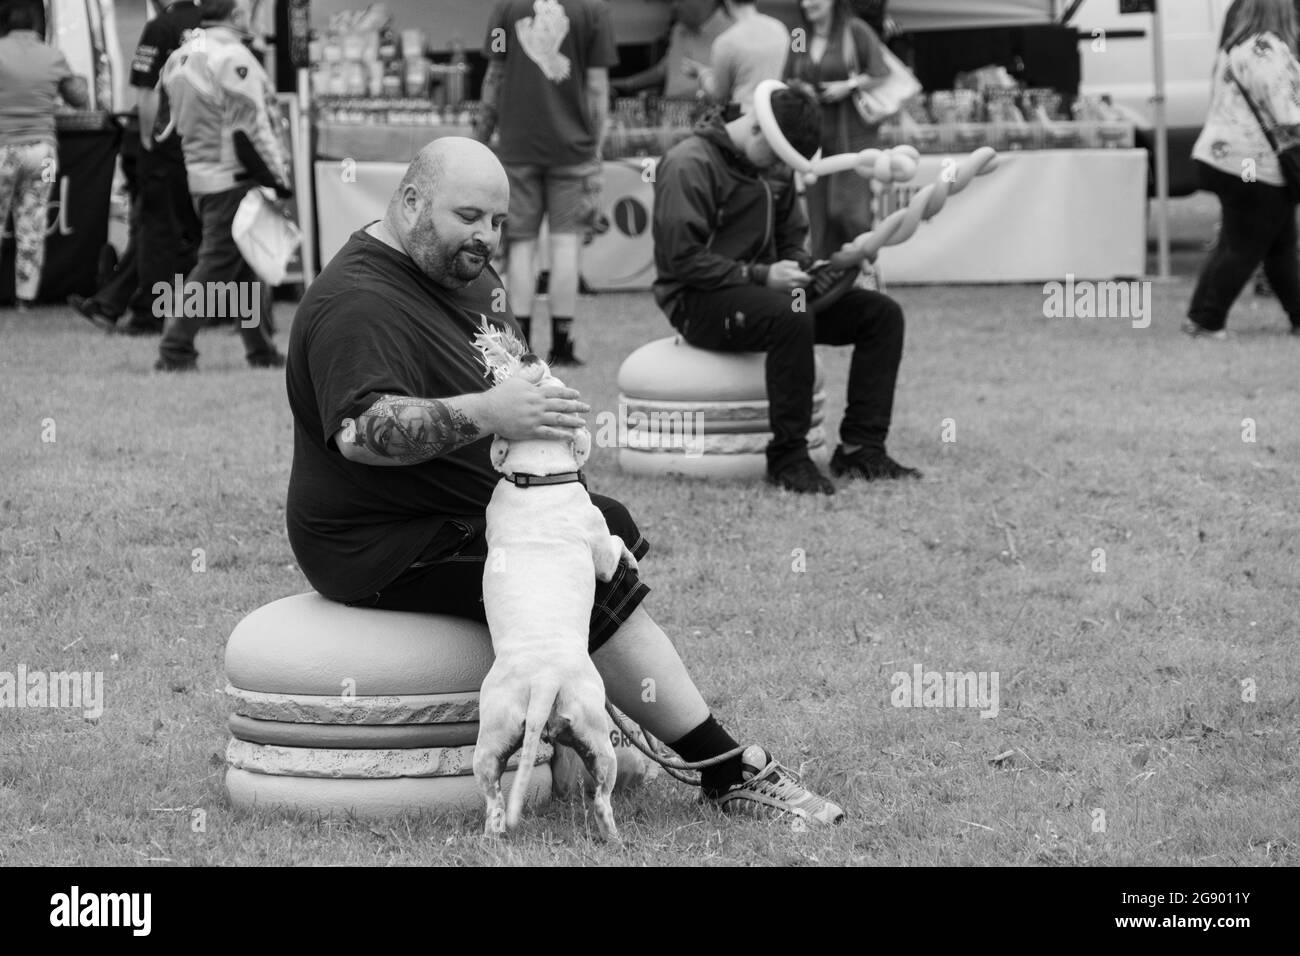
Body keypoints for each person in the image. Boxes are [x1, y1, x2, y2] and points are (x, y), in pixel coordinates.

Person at [284, 135, 846, 827]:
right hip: (379, 542)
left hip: (479, 506)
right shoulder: (356, 302)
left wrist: (544, 410)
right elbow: (363, 434)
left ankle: (587, 732)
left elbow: (516, 370)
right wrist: (492, 412)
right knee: (583, 570)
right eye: (468, 218)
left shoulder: (466, 274)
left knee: (607, 523)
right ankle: (727, 772)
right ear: (409, 203)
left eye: (497, 222)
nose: (485, 239)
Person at [652, 84, 920, 494]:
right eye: (777, 156)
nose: (779, 166)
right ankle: (788, 458)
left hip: (769, 293)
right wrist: (761, 276)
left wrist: (824, 267)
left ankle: (860, 448)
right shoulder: (687, 164)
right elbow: (681, 260)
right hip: (697, 300)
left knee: (881, 315)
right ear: (758, 129)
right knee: (791, 315)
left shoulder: (773, 166)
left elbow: (792, 241)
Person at [475, 0, 617, 366]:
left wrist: (481, 136)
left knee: (521, 245)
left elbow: (494, 74)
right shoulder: (594, 10)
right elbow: (599, 88)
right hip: (573, 149)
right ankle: (563, 344)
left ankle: (520, 349)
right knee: (566, 244)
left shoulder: (507, 8)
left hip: (517, 145)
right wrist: (595, 147)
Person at [154, 0, 289, 371]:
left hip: (201, 176)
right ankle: (175, 348)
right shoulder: (231, 56)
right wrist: (277, 178)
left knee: (246, 267)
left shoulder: (178, 56)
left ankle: (261, 350)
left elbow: (161, 125)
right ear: (236, 15)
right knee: (215, 267)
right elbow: (250, 126)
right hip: (233, 177)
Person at [70, 0, 204, 336]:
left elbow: (146, 90)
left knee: (159, 230)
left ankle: (147, 315)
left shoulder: (161, 27)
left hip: (167, 145)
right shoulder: (214, 24)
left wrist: (147, 138)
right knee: (182, 230)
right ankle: (112, 303)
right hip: (206, 146)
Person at [1185, 0, 1300, 339]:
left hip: (1222, 157)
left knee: (1277, 245)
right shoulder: (1269, 51)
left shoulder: (1233, 47)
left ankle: (1297, 314)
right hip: (1250, 165)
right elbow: (1289, 113)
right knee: (1243, 243)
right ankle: (1207, 320)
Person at [784, 0, 889, 266]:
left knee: (849, 212)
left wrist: (849, 85)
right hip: (814, 138)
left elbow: (880, 73)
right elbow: (789, 76)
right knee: (819, 218)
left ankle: (867, 271)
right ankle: (829, 282)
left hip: (854, 134)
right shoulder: (800, 36)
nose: (807, 4)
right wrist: (801, 89)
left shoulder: (854, 31)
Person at [0, 2, 88, 311]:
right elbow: (79, 99)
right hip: (43, 154)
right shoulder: (52, 55)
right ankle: (25, 299)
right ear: (37, 26)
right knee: (33, 225)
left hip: (3, 151)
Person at [613, 0, 733, 100]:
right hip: (669, 116)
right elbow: (663, 69)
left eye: (681, 1)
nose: (674, 6)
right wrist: (627, 84)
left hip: (706, 120)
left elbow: (726, 90)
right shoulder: (678, 29)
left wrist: (684, 98)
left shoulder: (731, 34)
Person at [698, 0, 791, 116]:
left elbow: (719, 94)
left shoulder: (726, 42)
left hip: (744, 118)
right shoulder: (780, 28)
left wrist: (702, 73)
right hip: (774, 114)